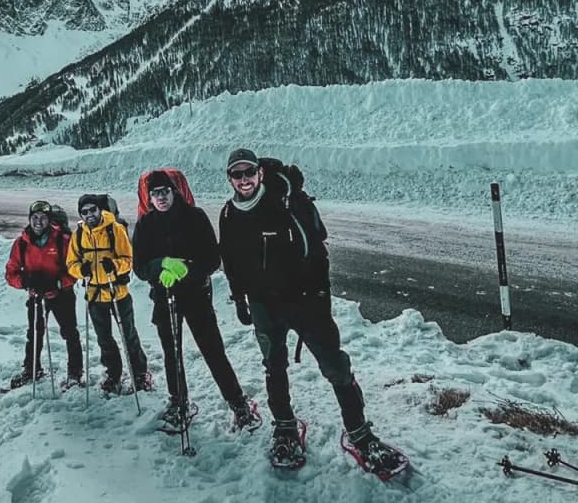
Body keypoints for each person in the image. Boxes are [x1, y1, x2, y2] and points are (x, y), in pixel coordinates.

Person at [217, 148, 394, 470]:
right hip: (263, 305)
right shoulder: (229, 214)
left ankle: (359, 431)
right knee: (274, 365)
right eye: (236, 174)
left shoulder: (286, 204)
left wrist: (319, 297)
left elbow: (317, 249)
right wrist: (239, 298)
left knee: (334, 365)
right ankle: (285, 426)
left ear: (260, 173)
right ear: (229, 178)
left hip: (304, 302)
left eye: (248, 172)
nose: (243, 179)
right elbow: (230, 260)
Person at [132, 169, 260, 432]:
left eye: (165, 192)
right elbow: (139, 266)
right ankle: (179, 403)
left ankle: (238, 404)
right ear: (149, 197)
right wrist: (160, 266)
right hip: (164, 298)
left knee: (212, 350)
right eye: (155, 194)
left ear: (174, 192)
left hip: (196, 295)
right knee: (172, 353)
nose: (161, 197)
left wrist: (187, 269)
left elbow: (213, 258)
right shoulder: (146, 224)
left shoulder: (194, 217)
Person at [67, 194, 152, 394]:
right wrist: (81, 270)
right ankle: (113, 373)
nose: (89, 215)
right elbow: (71, 263)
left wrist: (114, 265)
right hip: (95, 295)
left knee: (128, 334)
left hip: (117, 293)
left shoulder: (116, 230)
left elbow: (128, 259)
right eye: (84, 212)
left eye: (92, 210)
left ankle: (140, 373)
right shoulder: (78, 234)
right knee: (104, 338)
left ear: (99, 210)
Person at [4, 200, 83, 390]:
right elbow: (11, 272)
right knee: (35, 333)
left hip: (61, 294)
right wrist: (25, 283)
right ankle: (32, 370)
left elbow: (74, 269)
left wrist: (58, 284)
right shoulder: (21, 243)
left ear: (49, 220)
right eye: (35, 218)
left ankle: (75, 373)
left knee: (70, 332)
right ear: (30, 219)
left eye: (43, 218)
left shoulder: (62, 240)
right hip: (36, 295)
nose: (39, 222)